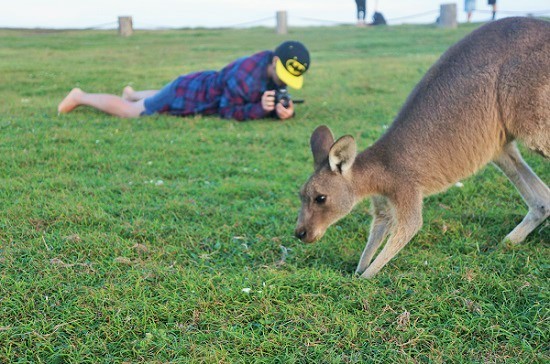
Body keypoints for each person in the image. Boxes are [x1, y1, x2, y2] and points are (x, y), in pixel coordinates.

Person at [58, 41, 310, 121]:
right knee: (135, 112)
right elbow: (226, 111)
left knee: (161, 95)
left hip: (195, 84)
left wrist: (282, 109)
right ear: (275, 62)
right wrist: (260, 109)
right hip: (190, 92)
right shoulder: (246, 77)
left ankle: (132, 92)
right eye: (284, 76)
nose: (283, 82)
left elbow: (277, 92)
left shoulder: (267, 67)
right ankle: (80, 96)